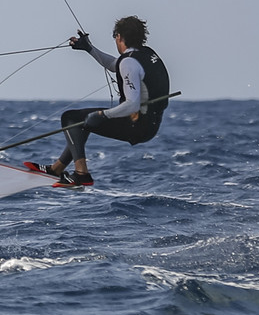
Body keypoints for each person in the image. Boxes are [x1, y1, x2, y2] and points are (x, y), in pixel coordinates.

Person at [41, 16, 169, 187]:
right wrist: (89, 49)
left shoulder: (130, 62)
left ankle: (81, 174)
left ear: (119, 36)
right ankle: (57, 169)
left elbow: (132, 104)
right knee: (83, 119)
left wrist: (103, 114)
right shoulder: (145, 54)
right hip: (151, 123)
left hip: (137, 126)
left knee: (70, 118)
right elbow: (115, 65)